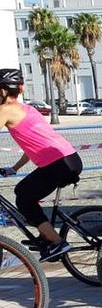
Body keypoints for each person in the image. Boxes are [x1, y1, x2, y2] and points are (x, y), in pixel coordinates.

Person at [0, 68, 82, 262]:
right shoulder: (28, 109)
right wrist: (15, 168)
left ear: (3, 91)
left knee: (24, 200)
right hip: (69, 159)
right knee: (22, 189)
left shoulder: (5, 110)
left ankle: (57, 242)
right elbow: (34, 145)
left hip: (58, 164)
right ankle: (45, 233)